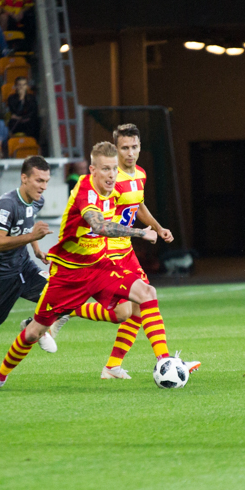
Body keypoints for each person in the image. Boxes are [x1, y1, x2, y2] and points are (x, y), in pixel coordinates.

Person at [0, 141, 199, 393]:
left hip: (100, 266)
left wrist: (153, 226)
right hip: (69, 273)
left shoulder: (115, 189)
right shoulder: (85, 192)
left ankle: (163, 359)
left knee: (146, 294)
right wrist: (140, 233)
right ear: (93, 170)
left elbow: (135, 206)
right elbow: (99, 226)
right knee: (34, 332)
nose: (112, 175)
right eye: (106, 169)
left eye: (114, 169)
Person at [93, 124, 185, 380]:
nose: (130, 153)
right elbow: (101, 220)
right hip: (109, 252)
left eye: (134, 147)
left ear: (140, 147)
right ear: (115, 148)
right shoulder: (109, 180)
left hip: (126, 251)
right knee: (132, 307)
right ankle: (165, 361)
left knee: (138, 308)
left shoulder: (140, 174)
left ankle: (112, 366)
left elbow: (139, 205)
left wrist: (158, 227)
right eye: (124, 148)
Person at [0, 155, 57, 385]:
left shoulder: (37, 201)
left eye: (46, 181)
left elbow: (28, 226)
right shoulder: (6, 205)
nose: (43, 186)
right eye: (38, 180)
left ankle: (32, 325)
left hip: (22, 266)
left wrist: (35, 248)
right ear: (24, 178)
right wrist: (32, 237)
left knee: (58, 293)